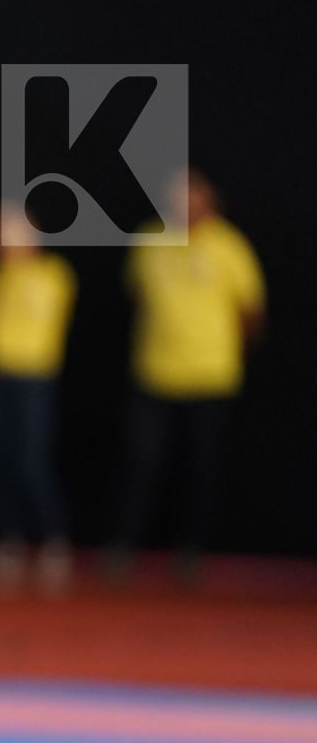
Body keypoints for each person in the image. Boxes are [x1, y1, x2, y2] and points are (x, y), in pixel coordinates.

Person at [110, 168, 264, 583]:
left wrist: (222, 349)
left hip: (210, 375)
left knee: (201, 470)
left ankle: (192, 553)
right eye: (175, 195)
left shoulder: (228, 245)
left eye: (190, 195)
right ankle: (124, 548)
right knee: (140, 466)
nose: (180, 203)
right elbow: (135, 294)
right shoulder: (149, 240)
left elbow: (251, 310)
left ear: (208, 201)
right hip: (154, 372)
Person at [0, 205, 76, 593]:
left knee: (31, 460)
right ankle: (7, 541)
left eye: (10, 230)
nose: (2, 239)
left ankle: (53, 540)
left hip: (33, 378)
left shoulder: (52, 273)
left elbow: (41, 323)